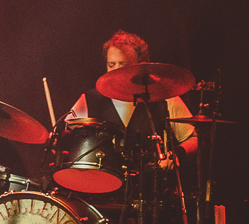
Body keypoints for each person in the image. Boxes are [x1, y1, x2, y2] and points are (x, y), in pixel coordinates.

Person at [65, 29, 196, 155]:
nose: (115, 71)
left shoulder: (165, 97)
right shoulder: (90, 99)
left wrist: (176, 156)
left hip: (151, 176)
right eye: (111, 65)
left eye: (123, 65)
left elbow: (194, 139)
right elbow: (64, 136)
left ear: (141, 65)